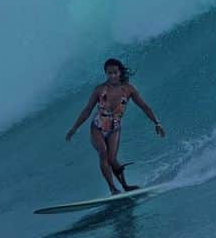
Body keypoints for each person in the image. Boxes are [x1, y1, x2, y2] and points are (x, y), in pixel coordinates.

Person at [65, 58, 166, 194]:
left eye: (115, 73)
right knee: (103, 153)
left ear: (120, 72)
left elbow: (144, 106)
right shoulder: (99, 90)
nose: (112, 76)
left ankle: (125, 185)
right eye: (109, 73)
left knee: (112, 159)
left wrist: (157, 123)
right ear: (106, 73)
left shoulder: (129, 89)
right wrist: (74, 128)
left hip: (114, 129)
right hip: (97, 127)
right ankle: (112, 188)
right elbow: (87, 109)